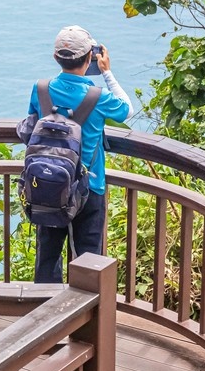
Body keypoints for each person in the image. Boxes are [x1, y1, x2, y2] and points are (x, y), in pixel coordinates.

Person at [27, 25, 134, 283]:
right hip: (89, 186)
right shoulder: (99, 97)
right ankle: (85, 320)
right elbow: (127, 110)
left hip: (47, 184)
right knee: (88, 261)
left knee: (47, 258)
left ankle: (44, 316)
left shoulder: (41, 89)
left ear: (56, 58)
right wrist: (107, 72)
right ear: (90, 58)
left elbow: (32, 122)